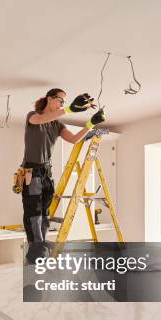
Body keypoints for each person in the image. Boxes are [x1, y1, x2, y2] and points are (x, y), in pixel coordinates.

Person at [21, 88, 105, 263]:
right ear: (49, 99)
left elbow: (74, 139)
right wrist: (69, 110)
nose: (62, 104)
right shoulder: (33, 116)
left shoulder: (58, 125)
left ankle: (40, 246)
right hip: (32, 172)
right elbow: (42, 119)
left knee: (44, 213)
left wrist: (91, 123)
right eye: (60, 100)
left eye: (64, 102)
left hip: (46, 172)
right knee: (33, 213)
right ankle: (35, 251)